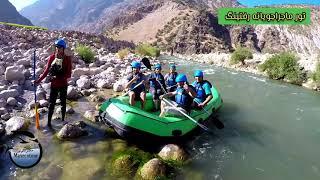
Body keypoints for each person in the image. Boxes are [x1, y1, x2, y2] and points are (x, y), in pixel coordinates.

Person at [34, 38, 72, 128]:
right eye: (56, 47)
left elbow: (69, 74)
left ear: (63, 48)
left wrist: (59, 77)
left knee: (63, 103)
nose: (57, 49)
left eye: (59, 47)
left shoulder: (67, 59)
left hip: (63, 84)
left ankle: (63, 120)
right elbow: (46, 71)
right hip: (54, 85)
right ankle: (49, 123)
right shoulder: (51, 58)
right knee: (51, 104)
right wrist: (38, 81)